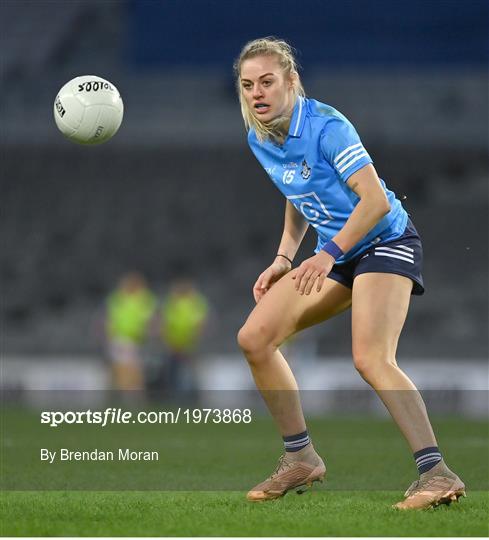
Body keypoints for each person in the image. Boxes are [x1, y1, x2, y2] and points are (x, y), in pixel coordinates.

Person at [234, 37, 465, 509]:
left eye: (267, 82)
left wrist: (325, 254)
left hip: (385, 241)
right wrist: (283, 257)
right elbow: (298, 190)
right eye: (247, 85)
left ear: (291, 81)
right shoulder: (261, 136)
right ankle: (300, 457)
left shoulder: (327, 126)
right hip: (337, 254)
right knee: (254, 338)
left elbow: (376, 201)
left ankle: (436, 473)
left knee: (371, 357)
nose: (257, 93)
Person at [105, 272, 156, 391]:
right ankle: (121, 393)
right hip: (119, 339)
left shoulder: (145, 299)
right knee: (120, 369)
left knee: (134, 370)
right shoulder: (117, 298)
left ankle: (133, 395)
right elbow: (110, 318)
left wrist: (149, 333)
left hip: (136, 340)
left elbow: (151, 319)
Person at [159, 279, 209, 395]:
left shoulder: (196, 302)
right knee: (174, 372)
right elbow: (165, 323)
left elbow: (202, 323)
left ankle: (194, 396)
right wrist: (170, 342)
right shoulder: (171, 302)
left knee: (191, 372)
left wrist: (193, 340)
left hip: (191, 344)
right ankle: (174, 395)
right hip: (174, 345)